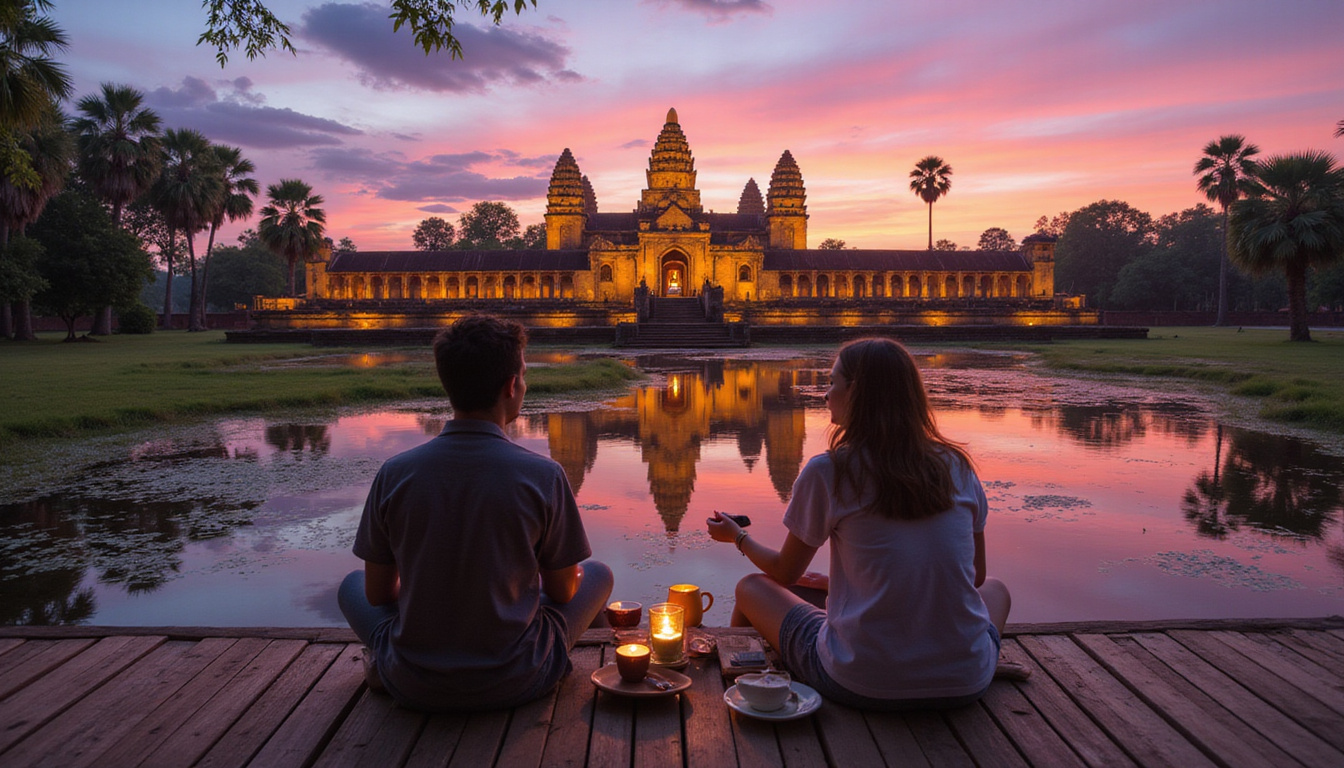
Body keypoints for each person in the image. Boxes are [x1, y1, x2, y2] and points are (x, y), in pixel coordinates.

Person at [707, 337, 1011, 710]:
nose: (825, 394)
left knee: (752, 587)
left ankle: (746, 679)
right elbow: (976, 577)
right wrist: (842, 583)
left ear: (857, 393)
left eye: (832, 382)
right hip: (966, 681)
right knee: (998, 590)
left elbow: (785, 573)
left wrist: (737, 537)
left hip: (860, 680)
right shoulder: (958, 466)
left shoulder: (829, 470)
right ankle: (968, 658)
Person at [339, 314, 613, 711]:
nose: (524, 383)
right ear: (510, 386)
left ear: (447, 383)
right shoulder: (544, 475)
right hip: (519, 676)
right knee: (599, 574)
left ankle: (391, 661)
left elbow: (378, 593)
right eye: (523, 374)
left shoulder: (394, 473)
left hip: (414, 680)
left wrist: (432, 598)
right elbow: (563, 591)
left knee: (351, 585)